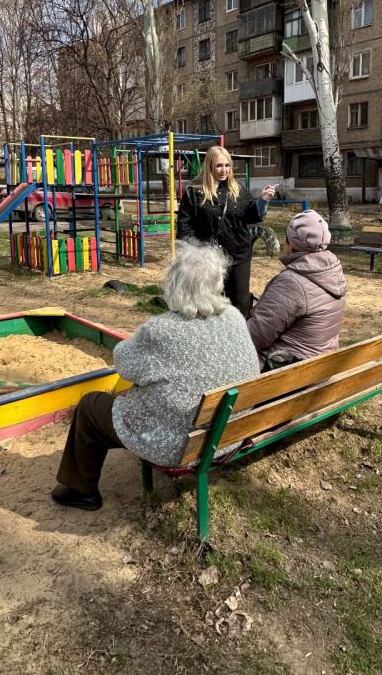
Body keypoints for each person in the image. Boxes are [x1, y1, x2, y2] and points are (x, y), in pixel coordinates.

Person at [51, 241, 260, 511]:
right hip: (232, 431)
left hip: (181, 446)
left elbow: (123, 363)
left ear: (173, 285)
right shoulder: (234, 317)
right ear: (218, 282)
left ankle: (80, 491)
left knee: (91, 406)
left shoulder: (161, 330)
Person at [176, 145, 276, 316]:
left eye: (227, 165)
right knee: (209, 302)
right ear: (209, 166)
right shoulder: (194, 191)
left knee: (239, 301)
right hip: (207, 259)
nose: (224, 170)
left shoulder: (237, 189)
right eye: (219, 166)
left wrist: (263, 200)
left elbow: (252, 216)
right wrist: (193, 254)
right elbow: (184, 226)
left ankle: (241, 329)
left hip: (238, 255)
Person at [247, 210, 347, 371]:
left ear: (292, 243)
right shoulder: (332, 271)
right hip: (320, 366)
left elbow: (254, 336)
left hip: (286, 369)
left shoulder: (291, 283)